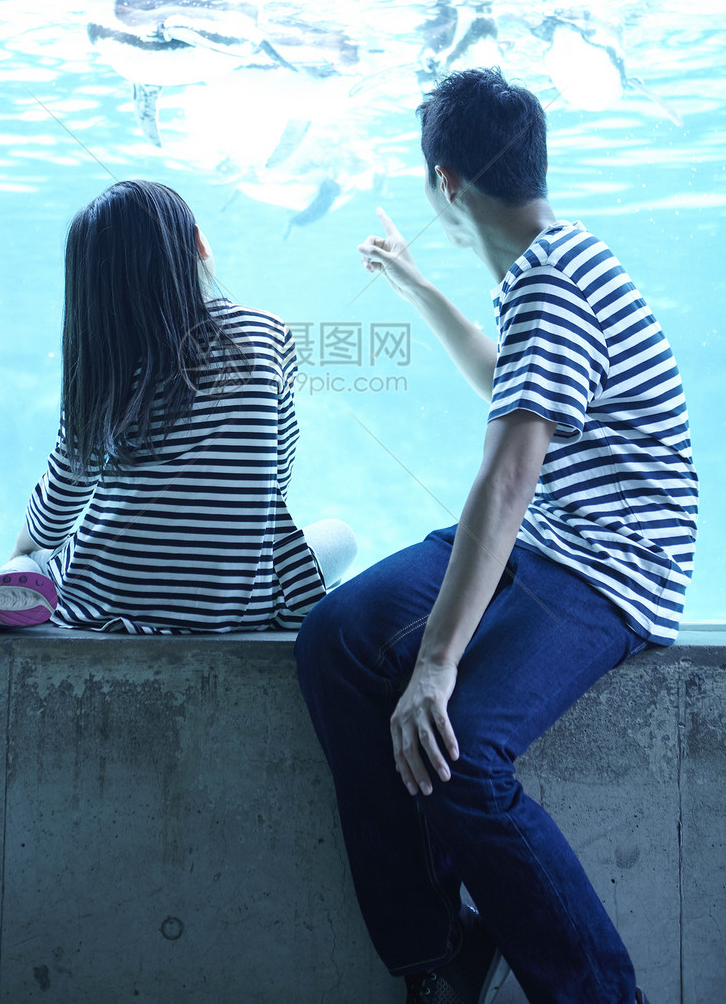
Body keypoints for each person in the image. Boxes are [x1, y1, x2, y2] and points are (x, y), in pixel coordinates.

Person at [295, 68, 696, 1004]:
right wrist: (419, 289)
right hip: (552, 538)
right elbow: (509, 389)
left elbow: (508, 477)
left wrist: (436, 663)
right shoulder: (546, 267)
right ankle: (442, 947)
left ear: (446, 183)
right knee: (336, 642)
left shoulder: (555, 280)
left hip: (612, 568)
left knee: (464, 755)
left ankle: (601, 993)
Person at [0, 180, 355, 647]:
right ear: (199, 245)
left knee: (38, 563)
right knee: (340, 536)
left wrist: (25, 546)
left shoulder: (106, 361)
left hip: (105, 596)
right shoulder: (268, 333)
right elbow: (277, 472)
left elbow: (64, 492)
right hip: (231, 606)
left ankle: (5, 580)